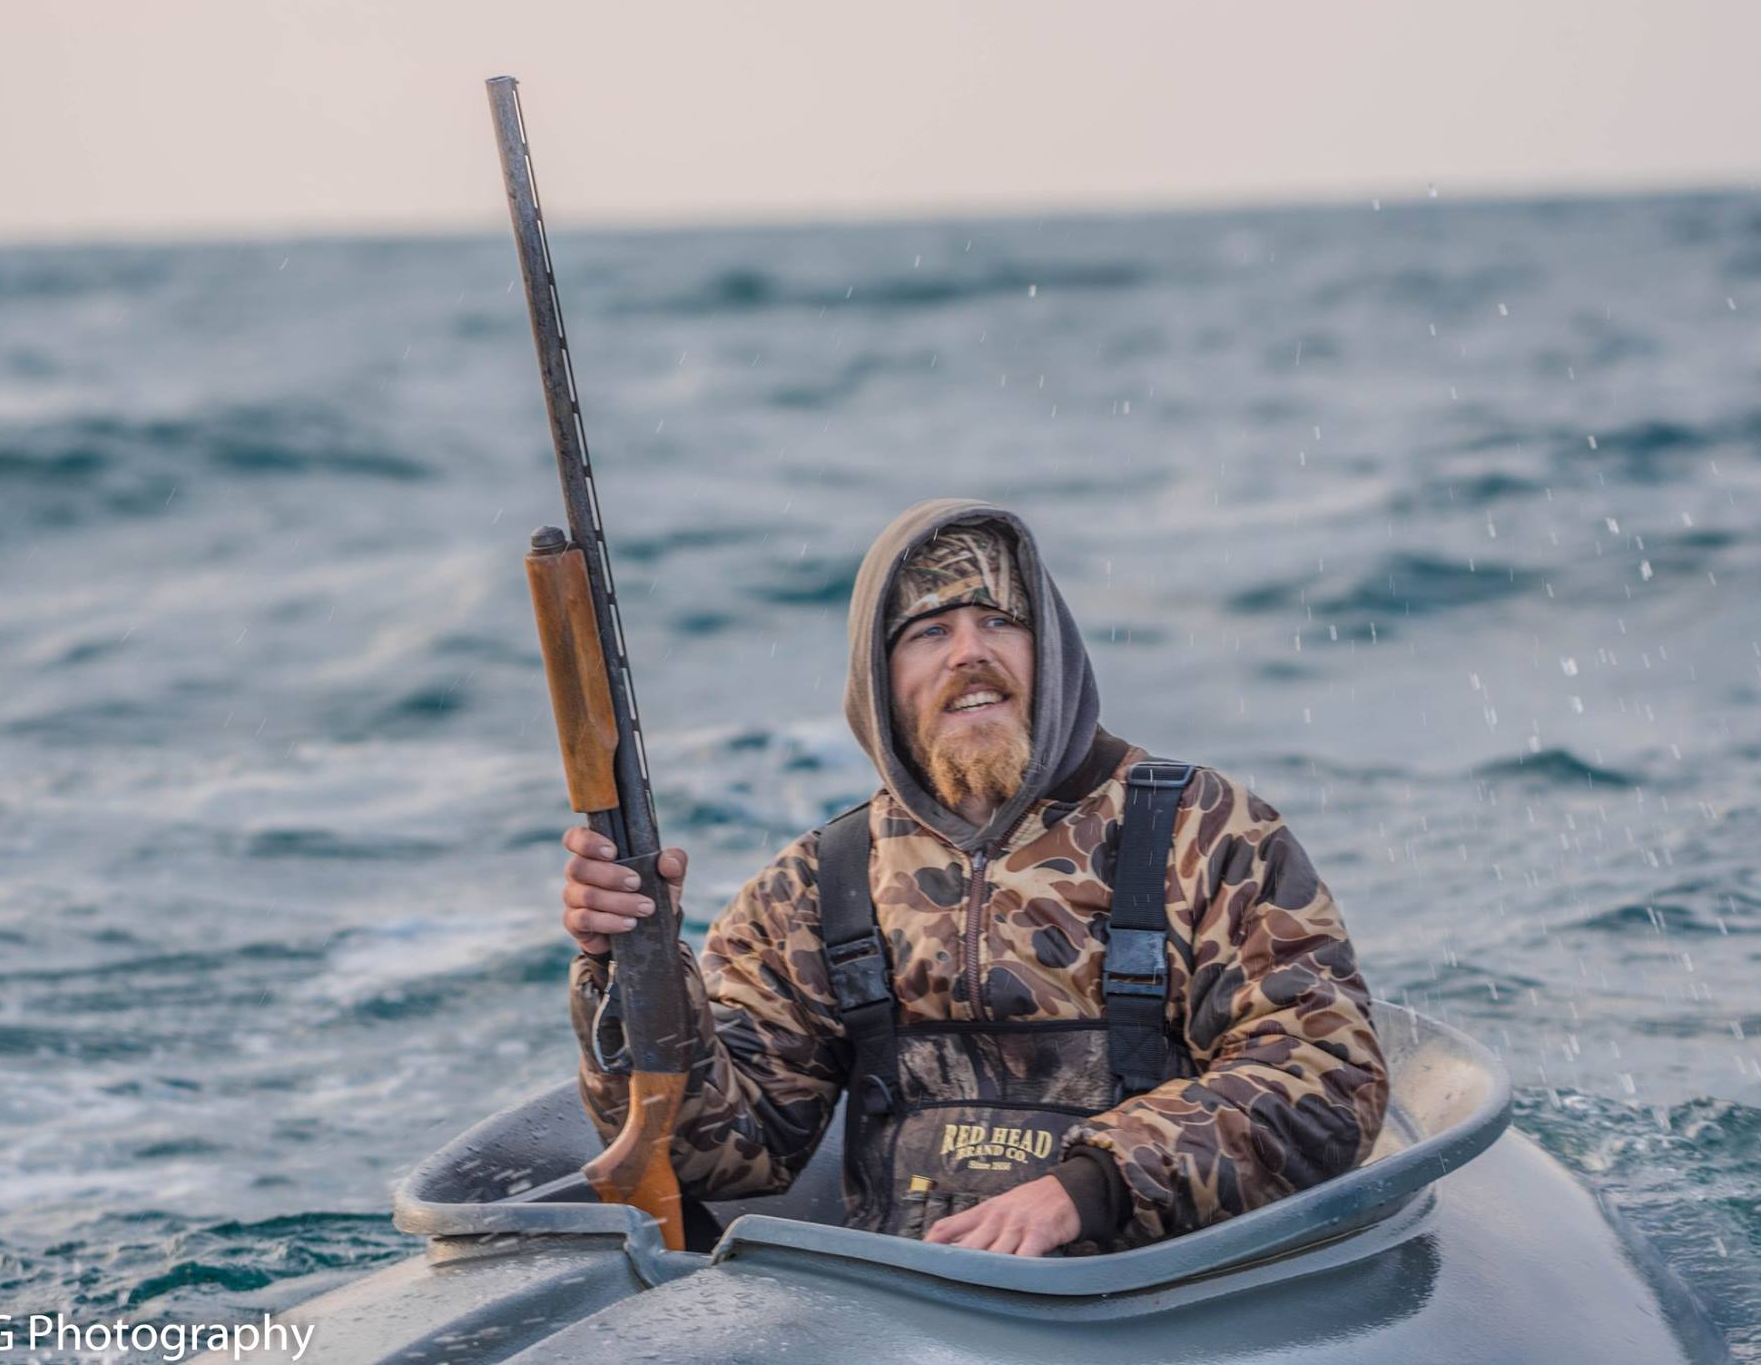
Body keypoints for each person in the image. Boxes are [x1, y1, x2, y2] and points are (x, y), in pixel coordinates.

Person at [559, 498, 1388, 1256]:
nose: (970, 653)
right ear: (880, 682)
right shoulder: (817, 883)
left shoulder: (1207, 830)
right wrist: (631, 970)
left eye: (1000, 620)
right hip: (902, 1305)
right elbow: (722, 1155)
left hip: (1151, 1295)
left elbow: (1322, 1076)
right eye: (928, 632)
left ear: (1051, 650)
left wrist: (1084, 1189)